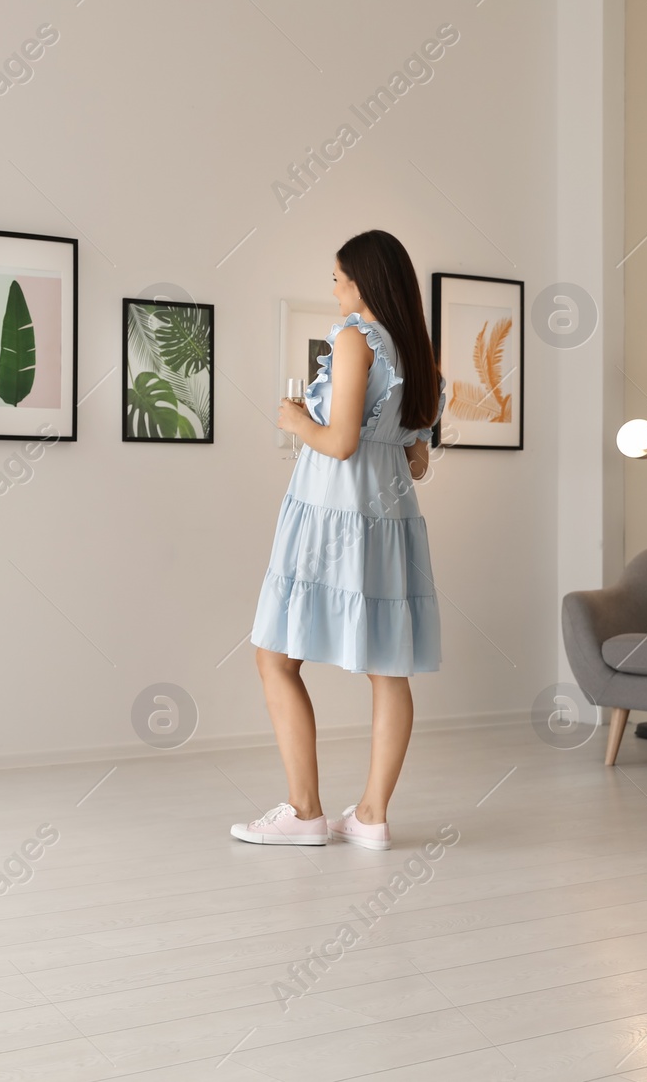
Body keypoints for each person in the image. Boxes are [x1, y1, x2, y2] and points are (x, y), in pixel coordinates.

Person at [232, 229, 446, 852]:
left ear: (361, 281)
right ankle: (372, 817)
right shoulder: (417, 354)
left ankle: (305, 813)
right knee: (389, 671)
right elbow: (417, 464)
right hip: (390, 520)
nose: (332, 287)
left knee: (275, 656)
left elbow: (341, 443)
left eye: (336, 276)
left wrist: (297, 420)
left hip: (332, 514)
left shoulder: (355, 340)